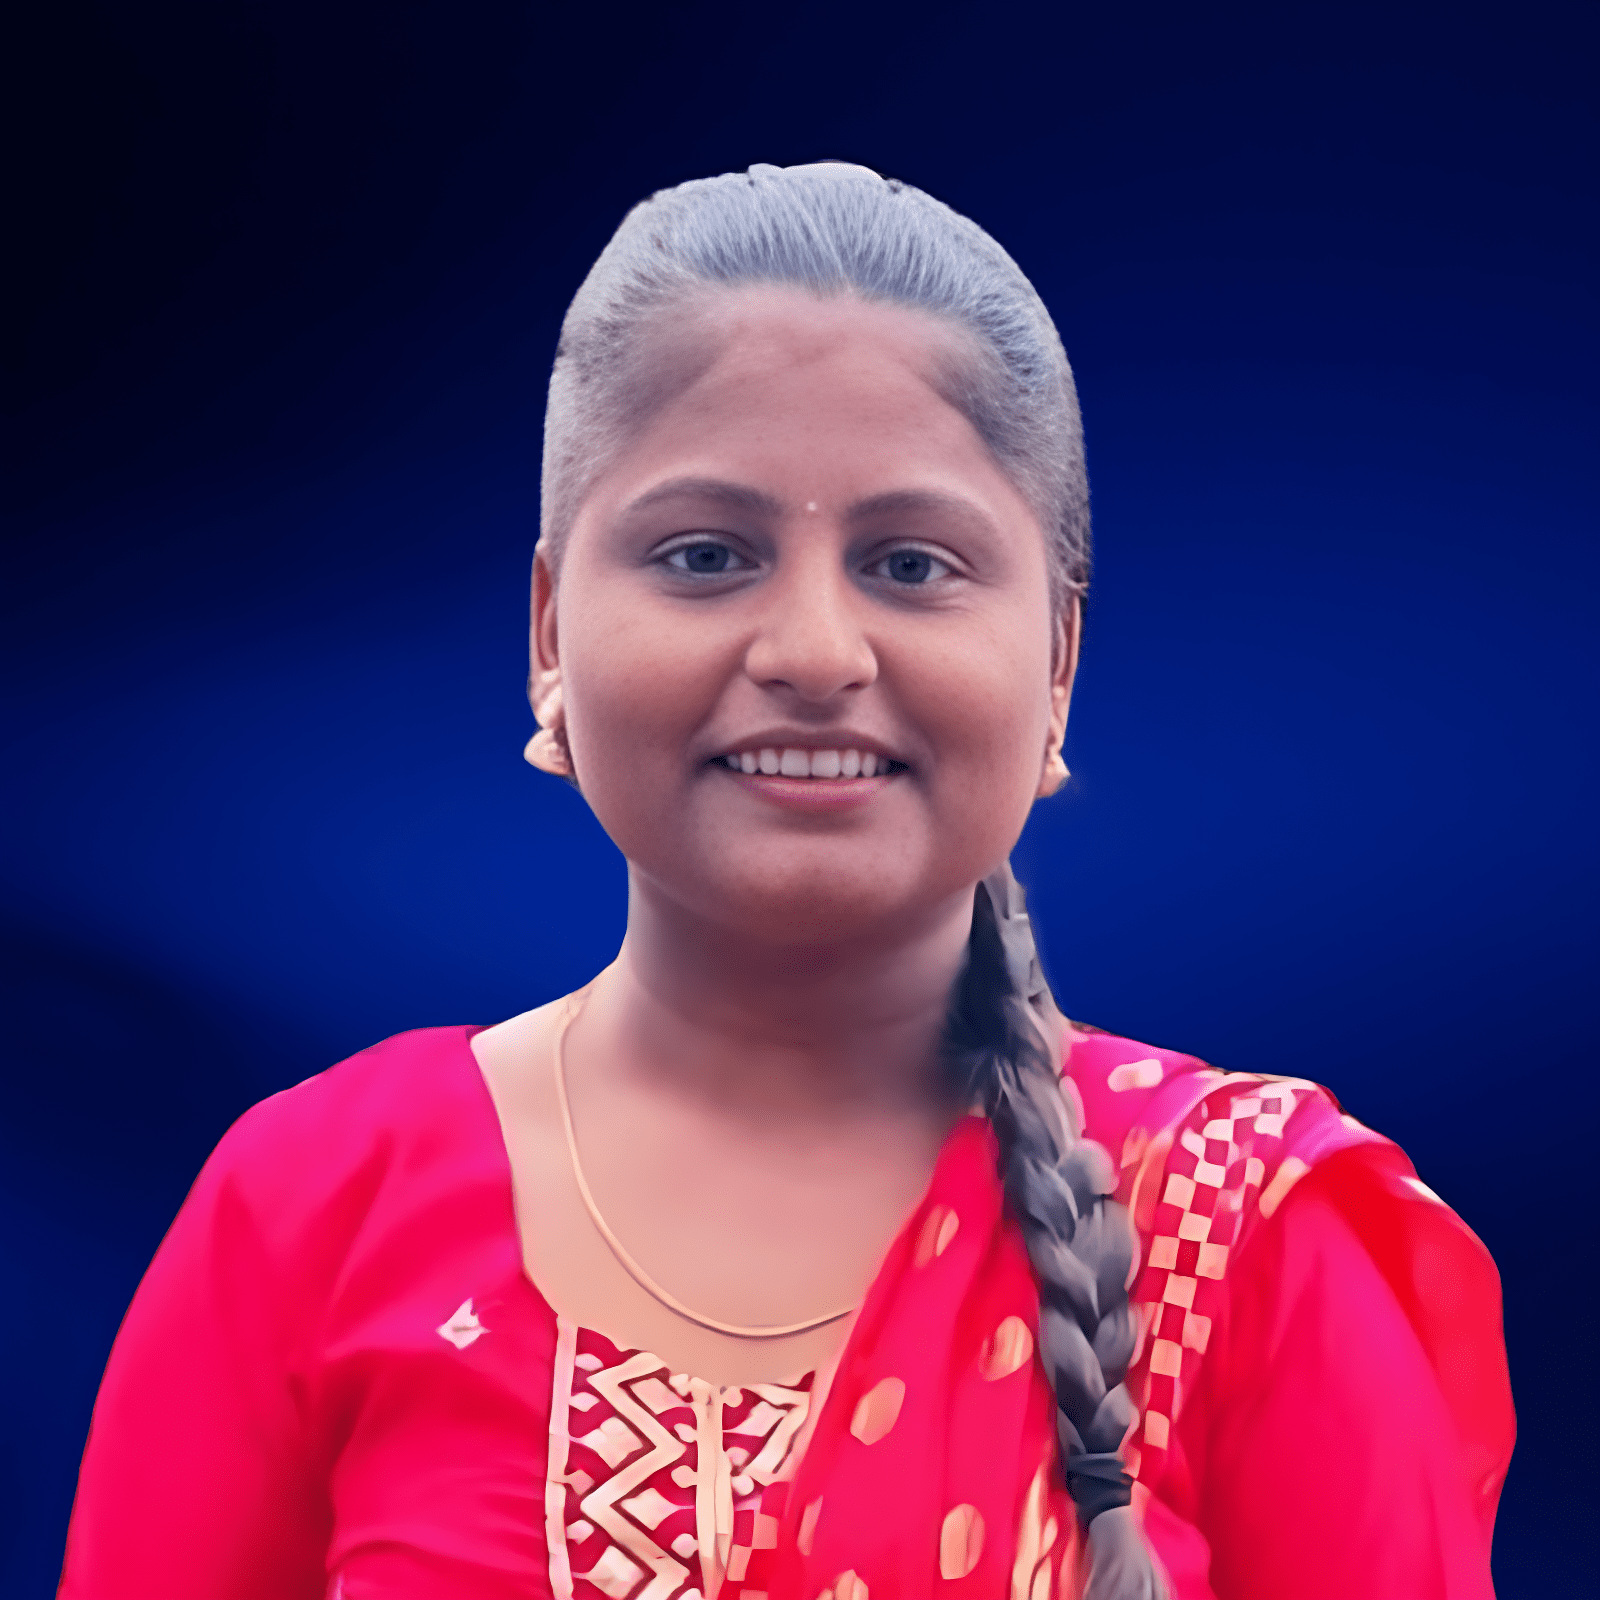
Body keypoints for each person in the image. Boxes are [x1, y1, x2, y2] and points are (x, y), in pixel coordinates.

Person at [58, 162, 1513, 1600]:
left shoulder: (1240, 1239)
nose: (815, 652)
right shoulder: (314, 1203)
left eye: (911, 564)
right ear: (551, 633)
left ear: (1058, 665)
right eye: (705, 555)